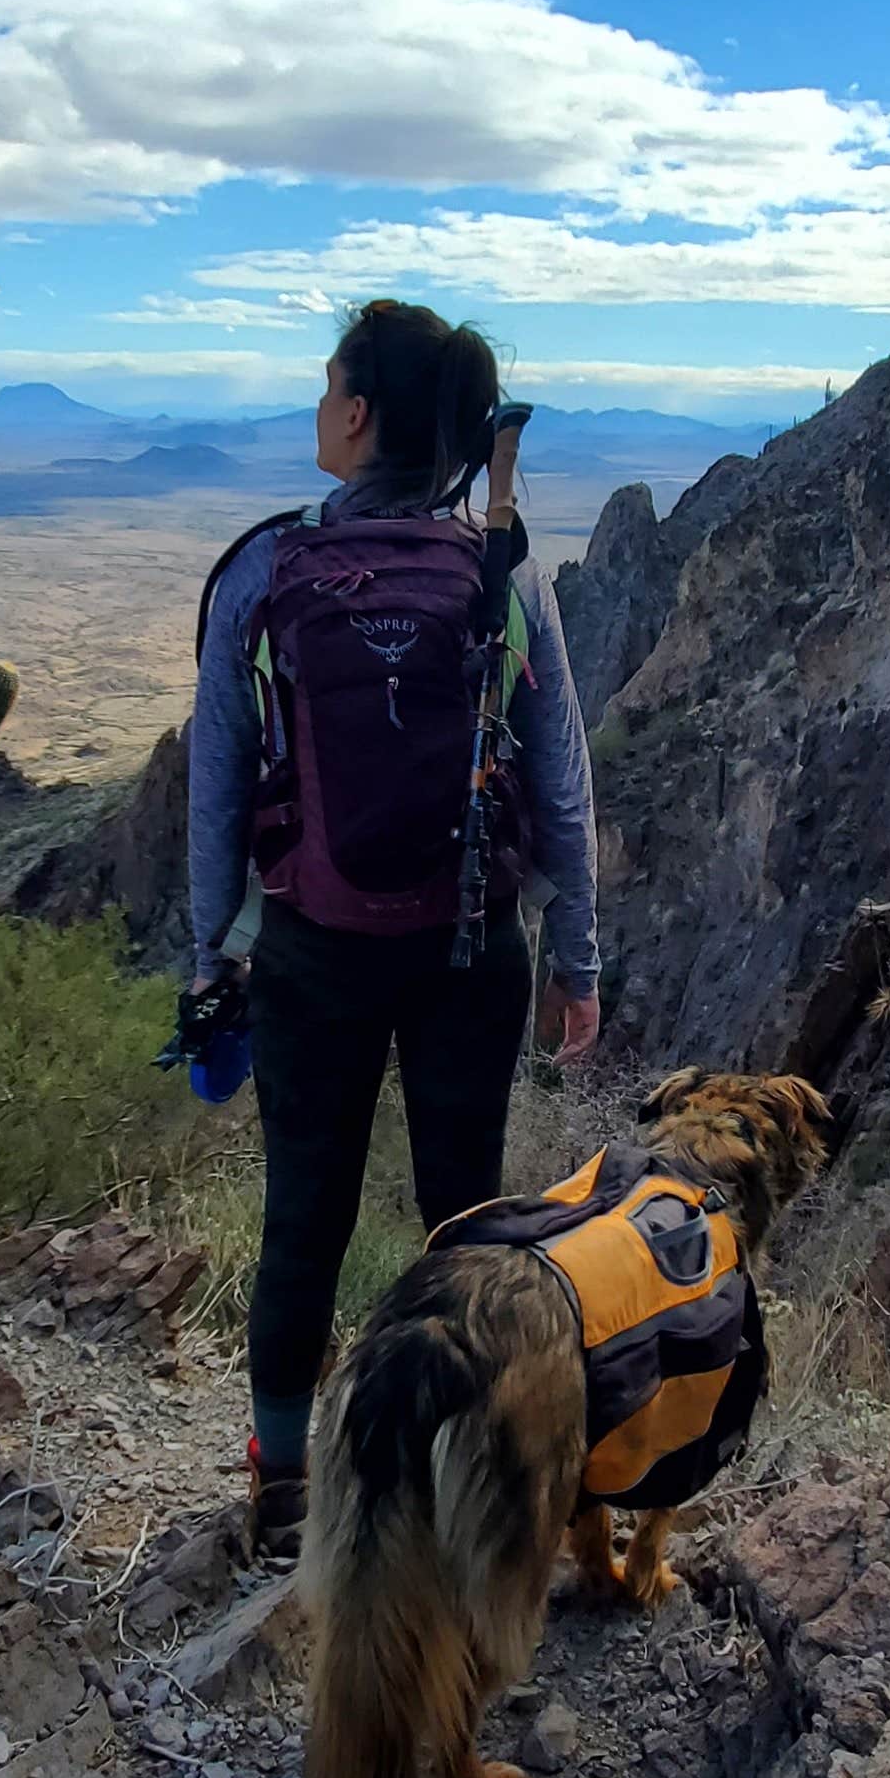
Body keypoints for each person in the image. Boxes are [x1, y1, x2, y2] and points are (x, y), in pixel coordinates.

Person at [188, 300, 601, 1560]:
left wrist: (208, 958)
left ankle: (280, 1487)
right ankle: (450, 1490)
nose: (318, 407)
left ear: (359, 416)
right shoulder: (501, 567)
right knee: (468, 1224)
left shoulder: (265, 570)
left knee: (300, 1217)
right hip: (468, 944)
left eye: (327, 388)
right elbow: (562, 771)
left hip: (314, 948)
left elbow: (216, 783)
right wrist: (577, 955)